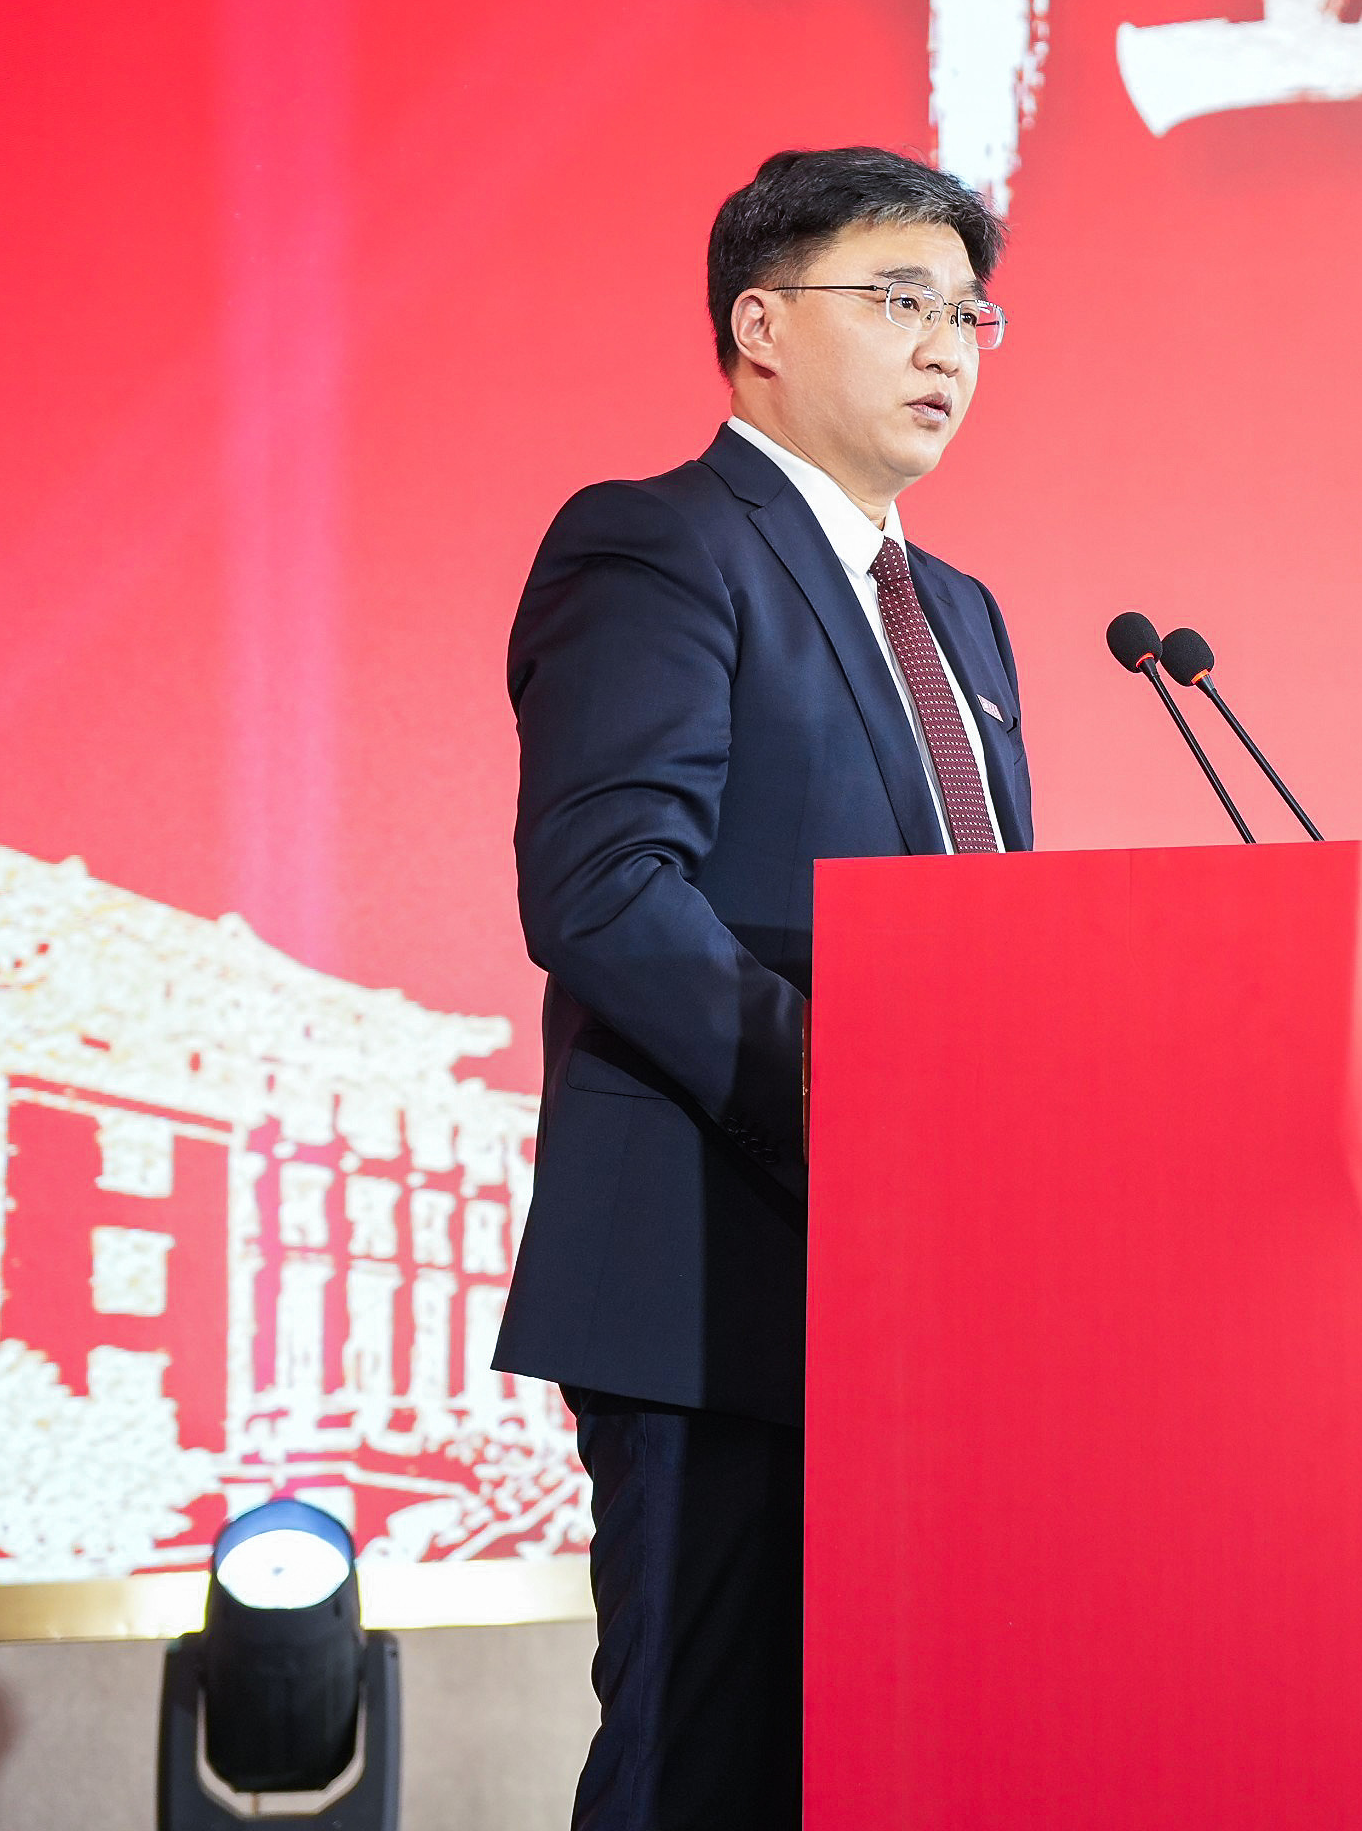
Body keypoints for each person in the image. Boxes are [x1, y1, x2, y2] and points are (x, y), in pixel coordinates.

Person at [495, 145, 1033, 1829]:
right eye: (900, 299)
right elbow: (604, 889)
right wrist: (867, 1112)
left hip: (929, 1298)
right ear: (761, 324)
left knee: (898, 1773)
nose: (946, 345)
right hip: (718, 1277)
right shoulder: (658, 545)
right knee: (702, 1769)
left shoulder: (963, 617)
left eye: (969, 313)